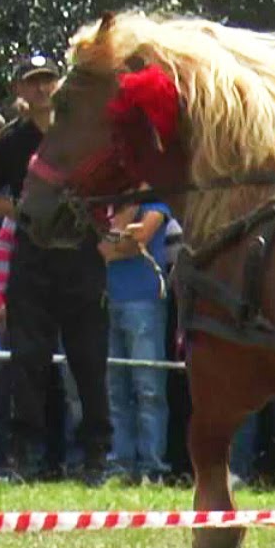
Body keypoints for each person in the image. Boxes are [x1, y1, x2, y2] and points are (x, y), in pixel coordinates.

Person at [0, 54, 111, 484]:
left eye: (49, 80)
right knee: (28, 362)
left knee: (89, 361)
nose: (43, 89)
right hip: (33, 259)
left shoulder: (84, 132)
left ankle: (96, 459)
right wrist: (17, 209)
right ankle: (25, 458)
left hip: (82, 257)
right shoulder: (12, 141)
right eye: (34, 82)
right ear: (21, 91)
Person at [102, 196, 172, 483]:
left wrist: (114, 237)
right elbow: (104, 248)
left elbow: (140, 238)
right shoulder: (105, 202)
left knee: (149, 389)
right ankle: (121, 463)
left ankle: (152, 466)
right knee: (115, 390)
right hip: (108, 299)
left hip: (144, 300)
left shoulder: (156, 202)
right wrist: (121, 236)